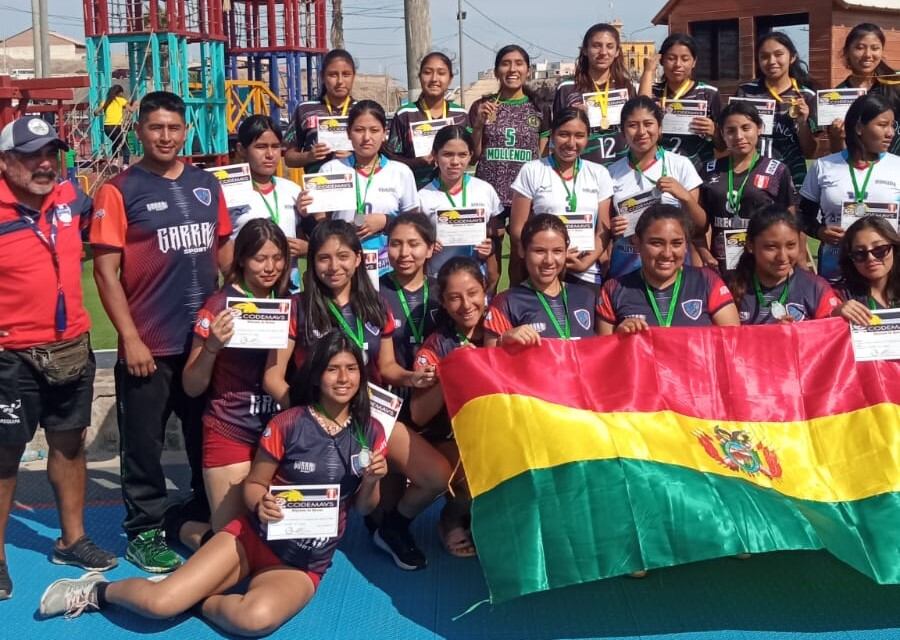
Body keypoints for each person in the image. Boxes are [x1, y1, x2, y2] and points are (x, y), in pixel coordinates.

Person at [39, 331, 388, 637]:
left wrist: (372, 481)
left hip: (302, 563)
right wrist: (259, 503)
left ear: (361, 374)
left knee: (254, 621)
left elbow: (364, 507)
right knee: (159, 604)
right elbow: (254, 485)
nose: (343, 378)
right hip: (252, 539)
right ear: (316, 377)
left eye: (351, 368)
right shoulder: (289, 423)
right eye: (332, 369)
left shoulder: (371, 431)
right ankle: (97, 591)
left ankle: (198, 599)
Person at [91, 91, 234, 573]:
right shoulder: (119, 189)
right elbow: (105, 273)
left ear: (185, 131)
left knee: (203, 435)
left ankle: (196, 512)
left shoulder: (205, 184)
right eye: (156, 128)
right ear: (139, 132)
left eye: (174, 128)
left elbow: (225, 256)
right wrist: (129, 338)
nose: (166, 136)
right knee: (145, 445)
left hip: (201, 343)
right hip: (148, 344)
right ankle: (144, 531)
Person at [263, 220, 451, 572]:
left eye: (343, 256)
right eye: (323, 258)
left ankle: (392, 528)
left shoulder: (376, 303)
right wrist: (308, 419)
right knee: (299, 550)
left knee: (437, 477)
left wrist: (413, 377)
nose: (334, 267)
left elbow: (388, 367)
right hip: (318, 420)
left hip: (371, 416)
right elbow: (273, 376)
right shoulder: (297, 307)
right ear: (310, 263)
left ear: (359, 258)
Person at [0, 117, 117, 600]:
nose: (45, 163)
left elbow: (116, 220)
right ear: (6, 162)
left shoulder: (70, 196)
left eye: (52, 152)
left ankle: (72, 539)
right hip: (10, 355)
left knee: (70, 446)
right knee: (3, 459)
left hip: (71, 346)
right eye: (31, 155)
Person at [171, 219, 290, 550]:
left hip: (279, 432)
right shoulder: (219, 306)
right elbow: (192, 386)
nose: (270, 267)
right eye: (260, 258)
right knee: (230, 544)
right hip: (231, 428)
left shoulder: (292, 303)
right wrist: (212, 347)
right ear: (241, 260)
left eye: (277, 257)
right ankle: (179, 526)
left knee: (278, 537)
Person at [410, 256, 488, 558]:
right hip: (447, 439)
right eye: (454, 297)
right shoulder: (437, 345)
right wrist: (452, 372)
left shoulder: (502, 331)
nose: (466, 304)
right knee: (474, 464)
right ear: (442, 302)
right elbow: (418, 415)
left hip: (494, 432)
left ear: (485, 291)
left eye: (472, 293)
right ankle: (451, 518)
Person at [469, 45, 550, 294]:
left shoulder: (539, 109)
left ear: (527, 70)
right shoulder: (482, 106)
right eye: (505, 63)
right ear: (496, 71)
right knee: (489, 262)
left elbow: (543, 155)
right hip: (489, 192)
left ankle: (513, 306)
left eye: (518, 63)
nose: (512, 69)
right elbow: (474, 155)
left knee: (518, 256)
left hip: (523, 195)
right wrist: (480, 125)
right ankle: (486, 308)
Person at [307, 100, 418, 278]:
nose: (367, 137)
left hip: (389, 267)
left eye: (374, 130)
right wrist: (314, 211)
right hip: (343, 268)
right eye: (359, 130)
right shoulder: (330, 170)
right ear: (348, 134)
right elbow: (322, 223)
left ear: (384, 134)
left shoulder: (400, 172)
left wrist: (385, 221)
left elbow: (414, 224)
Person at [799, 93, 900, 283]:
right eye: (882, 125)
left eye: (892, 125)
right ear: (859, 127)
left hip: (888, 275)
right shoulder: (824, 166)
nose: (890, 133)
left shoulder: (898, 167)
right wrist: (821, 232)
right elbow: (802, 215)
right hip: (835, 270)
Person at [509, 108, 613, 289]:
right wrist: (552, 256)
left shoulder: (599, 173)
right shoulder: (532, 170)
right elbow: (518, 229)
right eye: (564, 134)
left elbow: (604, 230)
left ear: (587, 138)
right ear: (552, 136)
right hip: (544, 270)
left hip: (586, 272)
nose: (571, 143)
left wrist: (585, 262)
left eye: (579, 135)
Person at [598, 204, 740, 335]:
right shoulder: (614, 289)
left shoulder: (707, 281)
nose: (667, 253)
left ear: (686, 245)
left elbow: (733, 343)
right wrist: (619, 339)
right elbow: (604, 355)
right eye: (656, 243)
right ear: (637, 242)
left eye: (676, 243)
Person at [607, 96, 705, 279]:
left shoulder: (680, 164)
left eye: (648, 124)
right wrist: (613, 228)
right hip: (627, 266)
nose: (641, 131)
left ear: (659, 128)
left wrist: (683, 196)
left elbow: (700, 225)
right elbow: (605, 230)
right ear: (622, 132)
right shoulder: (611, 172)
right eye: (633, 125)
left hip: (672, 263)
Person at [700, 102, 796, 274]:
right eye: (730, 131)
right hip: (720, 263)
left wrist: (795, 259)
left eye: (746, 128)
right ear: (722, 134)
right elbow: (700, 223)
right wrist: (704, 253)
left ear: (759, 128)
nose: (739, 136)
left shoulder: (777, 170)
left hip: (765, 263)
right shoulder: (709, 170)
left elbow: (790, 220)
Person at [484, 214, 599, 345]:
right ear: (522, 250)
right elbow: (489, 357)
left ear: (566, 251)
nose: (549, 260)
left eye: (557, 251)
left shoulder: (586, 296)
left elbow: (605, 350)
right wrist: (503, 341)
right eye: (539, 251)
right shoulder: (506, 303)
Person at [735, 32, 818, 190]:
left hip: (792, 177)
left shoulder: (807, 96)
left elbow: (810, 152)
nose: (772, 61)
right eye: (764, 56)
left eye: (778, 54)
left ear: (792, 57)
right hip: (750, 175)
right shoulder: (745, 92)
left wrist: (802, 123)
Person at [231, 115, 305, 291]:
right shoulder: (228, 192)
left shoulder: (293, 190)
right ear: (241, 149)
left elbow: (310, 237)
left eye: (275, 146)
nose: (270, 154)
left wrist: (306, 248)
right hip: (246, 291)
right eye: (261, 147)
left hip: (288, 290)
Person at [728, 207, 839, 324]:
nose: (782, 257)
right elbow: (722, 339)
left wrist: (839, 313)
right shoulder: (730, 287)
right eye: (771, 247)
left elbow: (830, 336)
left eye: (791, 245)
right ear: (750, 245)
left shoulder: (816, 288)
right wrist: (772, 335)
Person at [416, 125, 498, 277]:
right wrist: (426, 246)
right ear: (435, 155)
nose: (455, 161)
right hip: (437, 279)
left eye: (462, 155)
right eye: (447, 154)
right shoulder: (422, 197)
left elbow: (495, 233)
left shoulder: (485, 190)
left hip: (476, 279)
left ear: (470, 155)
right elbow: (415, 241)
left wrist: (490, 246)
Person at [552, 22, 637, 166]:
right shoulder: (567, 88)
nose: (603, 52)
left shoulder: (627, 87)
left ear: (617, 52)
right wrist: (574, 118)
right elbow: (555, 135)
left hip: (623, 169)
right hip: (583, 171)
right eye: (596, 46)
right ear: (585, 50)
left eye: (610, 46)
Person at [639, 33, 721, 173]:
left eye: (685, 59)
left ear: (694, 62)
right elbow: (640, 112)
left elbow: (723, 145)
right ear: (661, 60)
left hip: (698, 170)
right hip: (658, 170)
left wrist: (714, 131)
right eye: (671, 58)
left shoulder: (708, 93)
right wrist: (648, 71)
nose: (678, 64)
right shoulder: (652, 91)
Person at [386, 52, 470, 188]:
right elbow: (391, 159)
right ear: (420, 77)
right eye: (427, 72)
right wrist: (417, 162)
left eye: (441, 73)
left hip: (454, 192)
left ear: (450, 78)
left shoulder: (460, 114)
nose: (434, 79)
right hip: (415, 192)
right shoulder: (405, 114)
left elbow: (471, 156)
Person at [829, 23, 900, 156]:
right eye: (860, 48)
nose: (868, 54)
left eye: (875, 48)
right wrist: (837, 137)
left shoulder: (895, 85)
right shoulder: (836, 96)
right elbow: (837, 152)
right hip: (859, 172)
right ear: (847, 52)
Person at [284, 48, 356, 172]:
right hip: (318, 186)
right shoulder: (305, 110)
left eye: (346, 74)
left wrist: (355, 156)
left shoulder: (362, 111)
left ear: (353, 76)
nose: (340, 81)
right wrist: (309, 156)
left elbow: (380, 155)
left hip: (356, 187)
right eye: (333, 75)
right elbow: (288, 158)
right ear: (322, 76)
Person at [834, 215, 900, 325]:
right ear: (850, 258)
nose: (871, 258)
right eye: (860, 253)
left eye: (879, 249)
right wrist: (835, 315)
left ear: (895, 249)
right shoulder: (839, 296)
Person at [94, 85, 135, 167]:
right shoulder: (121, 100)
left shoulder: (106, 101)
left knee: (115, 142)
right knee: (124, 144)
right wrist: (136, 105)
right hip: (118, 126)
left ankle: (115, 160)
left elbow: (95, 112)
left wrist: (99, 113)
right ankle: (125, 164)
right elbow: (131, 110)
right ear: (120, 93)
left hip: (107, 128)